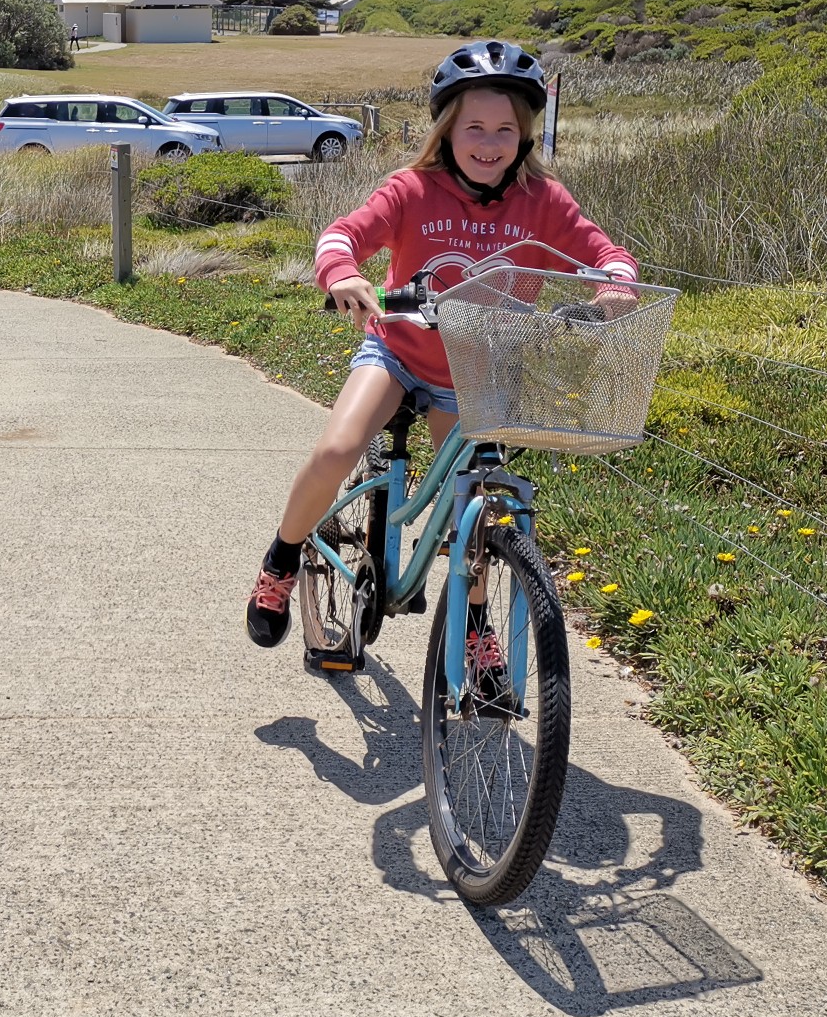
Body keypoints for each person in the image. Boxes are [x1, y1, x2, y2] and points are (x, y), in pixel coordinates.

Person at [246, 39, 638, 647]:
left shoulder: (544, 201)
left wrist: (616, 283)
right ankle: (281, 557)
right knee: (336, 451)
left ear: (526, 137)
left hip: (475, 370)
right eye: (474, 127)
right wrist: (345, 274)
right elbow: (343, 235)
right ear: (447, 132)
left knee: (474, 509)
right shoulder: (412, 190)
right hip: (400, 352)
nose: (489, 143)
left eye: (505, 129)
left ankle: (477, 632)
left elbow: (604, 252)